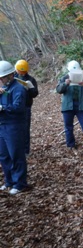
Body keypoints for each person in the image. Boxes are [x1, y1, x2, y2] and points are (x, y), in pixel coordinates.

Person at [56, 60, 83, 151]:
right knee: (68, 127)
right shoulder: (64, 78)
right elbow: (59, 90)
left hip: (81, 106)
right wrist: (65, 84)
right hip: (68, 106)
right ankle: (70, 145)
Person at [0, 61, 29, 195]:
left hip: (14, 125)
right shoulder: (4, 89)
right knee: (4, 155)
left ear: (10, 75)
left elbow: (18, 107)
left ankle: (20, 183)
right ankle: (9, 181)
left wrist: (3, 107)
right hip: (3, 125)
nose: (0, 80)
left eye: (2, 78)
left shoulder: (18, 88)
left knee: (16, 154)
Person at [14, 60, 39, 156]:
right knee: (15, 128)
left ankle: (25, 151)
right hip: (14, 106)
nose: (21, 73)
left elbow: (35, 94)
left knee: (25, 129)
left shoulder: (31, 79)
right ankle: (17, 149)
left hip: (26, 107)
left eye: (23, 72)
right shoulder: (13, 78)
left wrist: (29, 88)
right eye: (20, 71)